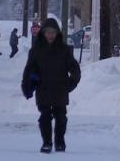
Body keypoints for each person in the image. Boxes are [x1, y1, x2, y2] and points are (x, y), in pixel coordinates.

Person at [22, 19, 81, 153]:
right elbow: (29, 69)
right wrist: (27, 86)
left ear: (57, 34)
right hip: (43, 89)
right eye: (48, 32)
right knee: (45, 117)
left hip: (60, 89)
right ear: (43, 33)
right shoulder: (36, 51)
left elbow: (74, 69)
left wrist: (70, 83)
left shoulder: (64, 50)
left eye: (53, 32)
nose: (50, 35)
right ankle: (47, 143)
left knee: (61, 117)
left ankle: (60, 142)